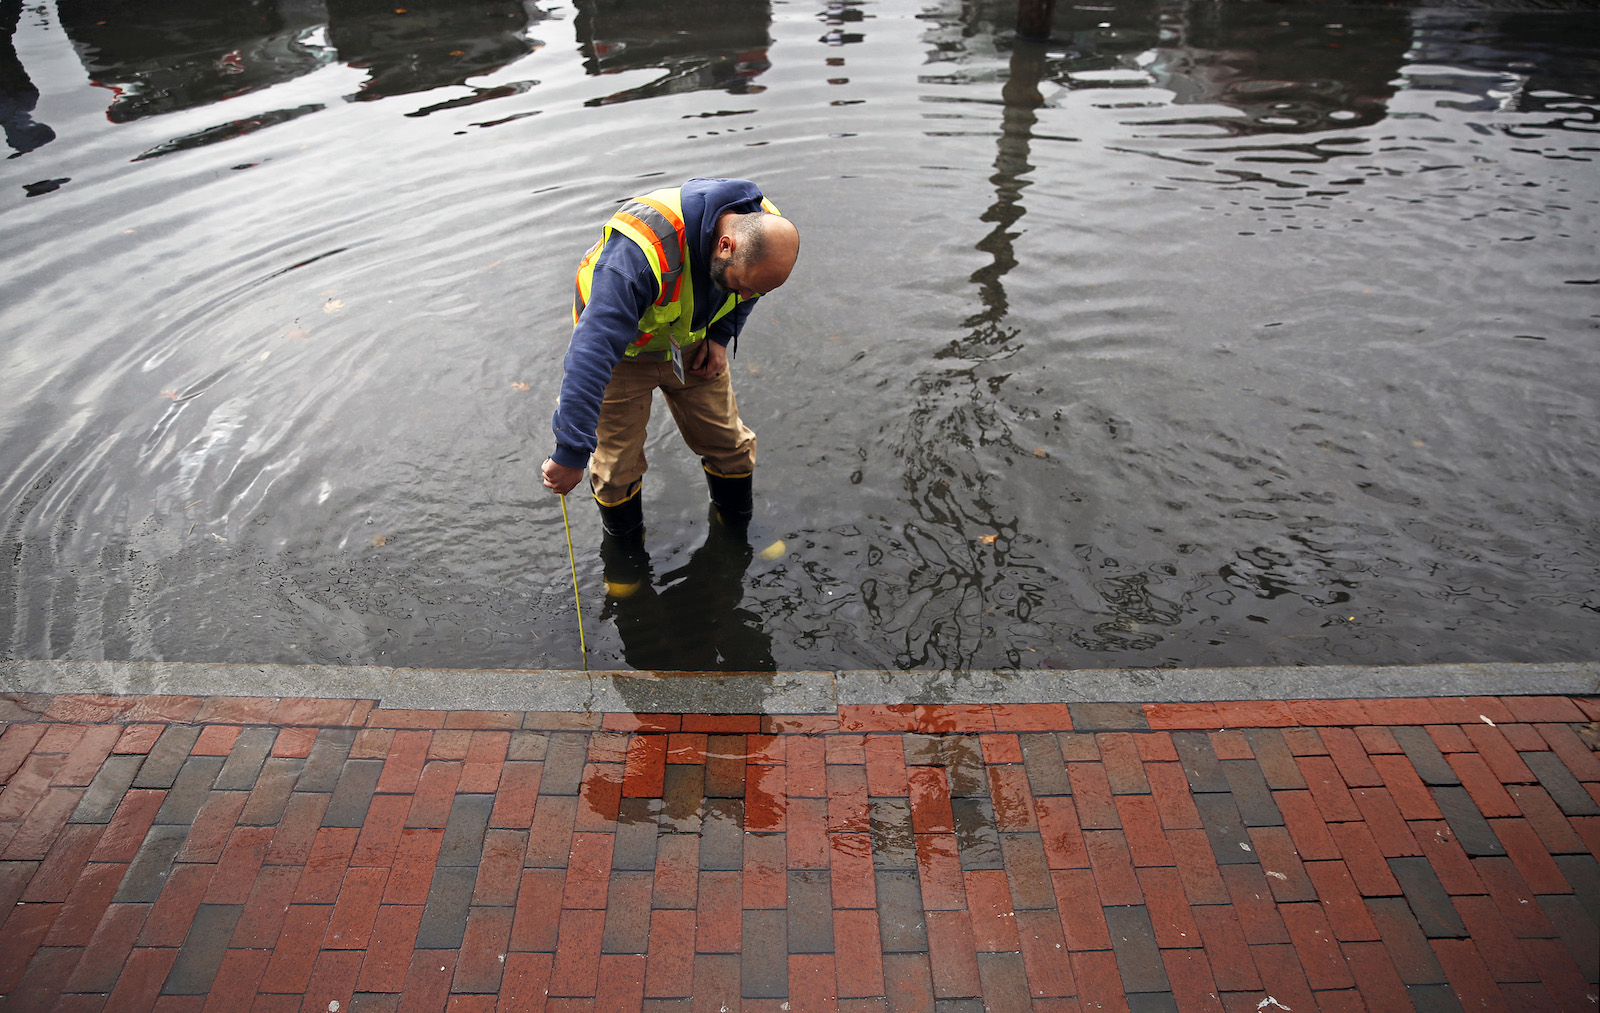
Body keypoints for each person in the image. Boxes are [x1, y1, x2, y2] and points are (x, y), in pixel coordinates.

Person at [540, 177, 799, 539]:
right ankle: (627, 566)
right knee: (616, 468)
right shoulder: (640, 252)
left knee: (730, 444)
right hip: (622, 357)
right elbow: (590, 354)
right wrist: (569, 453)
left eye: (757, 290)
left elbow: (752, 288)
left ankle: (735, 530)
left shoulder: (762, 232)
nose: (748, 295)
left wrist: (721, 336)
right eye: (743, 285)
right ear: (725, 245)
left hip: (694, 345)